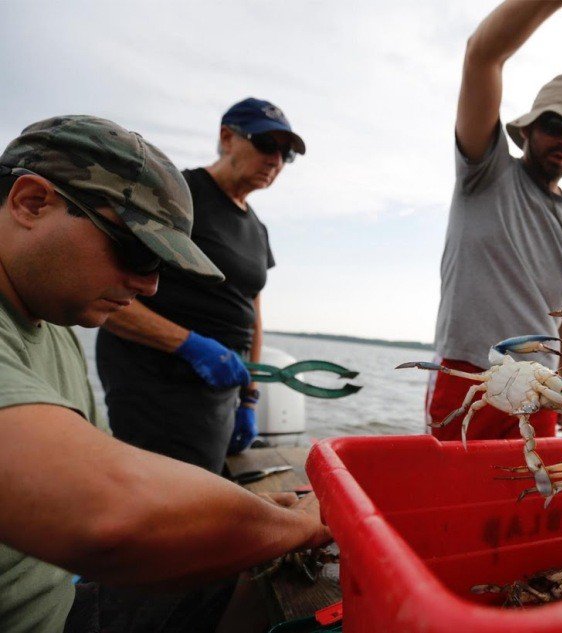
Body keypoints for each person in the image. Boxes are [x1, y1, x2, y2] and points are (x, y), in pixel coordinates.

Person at [0, 115, 329, 632]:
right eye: (134, 249)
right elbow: (107, 514)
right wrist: (295, 528)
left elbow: (108, 464)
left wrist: (237, 507)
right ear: (31, 202)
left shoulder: (53, 327)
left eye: (162, 265)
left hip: (62, 596)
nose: (151, 287)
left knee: (250, 579)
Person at [429, 0, 562, 441]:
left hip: (542, 388)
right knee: (452, 495)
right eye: (554, 125)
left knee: (527, 501)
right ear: (527, 130)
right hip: (469, 373)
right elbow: (482, 54)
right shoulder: (485, 172)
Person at [96, 97, 306, 473]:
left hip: (222, 386)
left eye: (286, 155)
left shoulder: (257, 228)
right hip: (156, 380)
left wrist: (250, 399)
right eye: (266, 144)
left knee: (207, 483)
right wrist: (188, 345)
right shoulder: (177, 196)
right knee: (166, 495)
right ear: (227, 138)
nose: (276, 160)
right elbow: (101, 290)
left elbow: (252, 310)